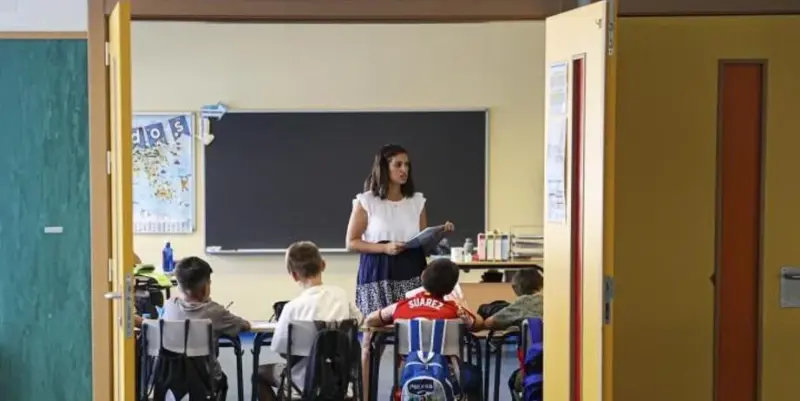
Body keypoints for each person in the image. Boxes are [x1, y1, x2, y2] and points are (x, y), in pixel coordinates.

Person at [346, 144, 455, 396]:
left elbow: (423, 243)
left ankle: (404, 392)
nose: (404, 169)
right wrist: (384, 249)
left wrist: (438, 234)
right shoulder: (366, 201)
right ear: (384, 167)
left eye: (407, 165)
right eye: (398, 164)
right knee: (371, 340)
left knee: (409, 339)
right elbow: (351, 242)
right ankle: (366, 395)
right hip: (377, 273)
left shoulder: (416, 201)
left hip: (412, 271)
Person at [258, 241, 362, 401]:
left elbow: (280, 348)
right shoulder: (341, 296)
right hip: (340, 383)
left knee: (259, 373)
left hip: (301, 383)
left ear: (294, 275)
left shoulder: (292, 308)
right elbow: (359, 321)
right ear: (323, 265)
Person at [365, 259, 483, 399]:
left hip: (409, 372)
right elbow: (478, 325)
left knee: (398, 384)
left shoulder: (400, 306)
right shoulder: (455, 309)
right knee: (474, 375)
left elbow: (370, 320)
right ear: (451, 289)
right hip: (449, 374)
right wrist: (463, 305)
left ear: (422, 276)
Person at [162, 256, 252, 399]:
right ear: (205, 288)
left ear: (178, 286)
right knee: (223, 381)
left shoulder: (169, 306)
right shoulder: (215, 312)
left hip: (171, 378)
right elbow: (244, 325)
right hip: (206, 378)